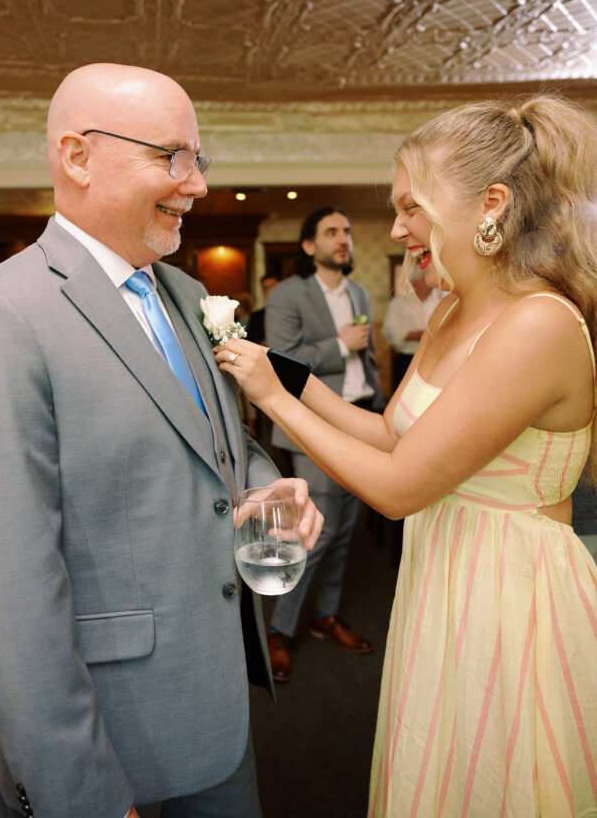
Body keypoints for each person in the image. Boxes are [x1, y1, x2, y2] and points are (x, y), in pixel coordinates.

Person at [0, 63, 323, 818]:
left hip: (214, 706)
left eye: (198, 159)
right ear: (77, 157)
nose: (195, 183)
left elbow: (216, 443)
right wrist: (82, 791)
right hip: (103, 736)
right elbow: (1, 588)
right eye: (169, 156)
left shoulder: (187, 293)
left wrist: (265, 482)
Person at [215, 95, 597, 816]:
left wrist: (272, 401)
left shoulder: (538, 324)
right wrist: (279, 372)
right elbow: (392, 434)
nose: (394, 230)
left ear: (490, 203)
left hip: (509, 587)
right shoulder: (453, 307)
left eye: (409, 207)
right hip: (443, 568)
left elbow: (395, 488)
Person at [263, 207, 385, 681]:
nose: (343, 239)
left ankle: (323, 616)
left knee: (345, 527)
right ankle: (279, 629)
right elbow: (280, 361)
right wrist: (338, 344)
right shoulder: (289, 295)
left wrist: (379, 407)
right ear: (309, 245)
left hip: (361, 420)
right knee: (316, 531)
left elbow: (367, 359)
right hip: (312, 425)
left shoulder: (359, 292)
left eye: (348, 232)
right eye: (331, 232)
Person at [381, 268, 441, 389]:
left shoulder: (441, 302)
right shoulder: (399, 303)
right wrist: (421, 335)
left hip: (434, 360)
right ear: (415, 282)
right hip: (407, 360)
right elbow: (391, 332)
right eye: (425, 278)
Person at [246, 275, 279, 346]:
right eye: (266, 288)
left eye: (273, 286)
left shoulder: (291, 313)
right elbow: (250, 342)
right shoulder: (256, 316)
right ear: (263, 292)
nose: (270, 290)